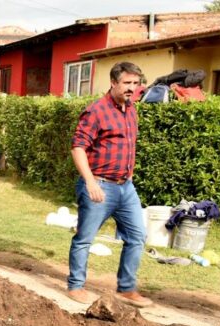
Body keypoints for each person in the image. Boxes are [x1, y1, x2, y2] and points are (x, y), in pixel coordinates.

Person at [67, 62, 152, 308]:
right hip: (100, 185)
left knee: (137, 236)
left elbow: (127, 147)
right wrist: (90, 182)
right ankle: (76, 286)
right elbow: (78, 147)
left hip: (126, 187)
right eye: (127, 83)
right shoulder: (96, 111)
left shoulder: (131, 109)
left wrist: (129, 176)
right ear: (113, 82)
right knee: (85, 238)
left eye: (135, 84)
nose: (132, 88)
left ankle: (126, 289)